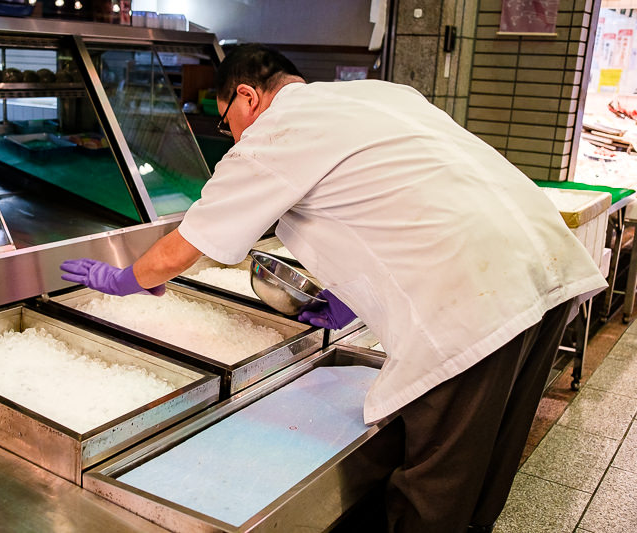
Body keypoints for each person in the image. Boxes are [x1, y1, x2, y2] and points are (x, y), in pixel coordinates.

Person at [60, 44, 607, 532]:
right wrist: (351, 293)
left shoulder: (276, 132)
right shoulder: (379, 95)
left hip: (473, 303)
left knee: (438, 487)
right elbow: (397, 195)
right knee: (489, 460)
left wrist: (125, 279)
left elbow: (188, 243)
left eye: (226, 121)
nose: (230, 135)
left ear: (247, 96)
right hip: (547, 265)